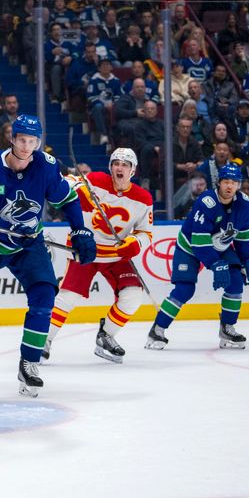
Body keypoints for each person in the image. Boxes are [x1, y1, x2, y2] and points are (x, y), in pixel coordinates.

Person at [0, 115, 97, 396]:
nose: (27, 147)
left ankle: (29, 363)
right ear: (12, 138)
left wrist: (80, 230)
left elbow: (66, 198)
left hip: (29, 244)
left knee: (44, 295)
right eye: (22, 140)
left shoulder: (46, 165)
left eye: (33, 141)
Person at [43, 149, 153, 364]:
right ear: (111, 167)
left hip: (116, 254)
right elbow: (67, 182)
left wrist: (135, 243)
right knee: (68, 297)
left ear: (133, 170)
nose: (119, 167)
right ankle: (43, 340)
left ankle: (106, 335)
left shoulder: (143, 198)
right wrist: (76, 195)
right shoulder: (95, 180)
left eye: (125, 164)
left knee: (132, 295)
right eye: (116, 163)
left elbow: (145, 233)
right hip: (86, 249)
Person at [147, 164, 249, 350]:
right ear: (219, 182)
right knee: (185, 289)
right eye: (226, 182)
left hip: (220, 245)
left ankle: (227, 328)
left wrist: (246, 261)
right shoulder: (207, 202)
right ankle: (157, 330)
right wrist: (215, 264)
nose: (230, 186)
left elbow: (243, 237)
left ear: (239, 185)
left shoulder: (244, 204)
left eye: (234, 182)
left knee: (236, 282)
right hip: (190, 247)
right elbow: (199, 243)